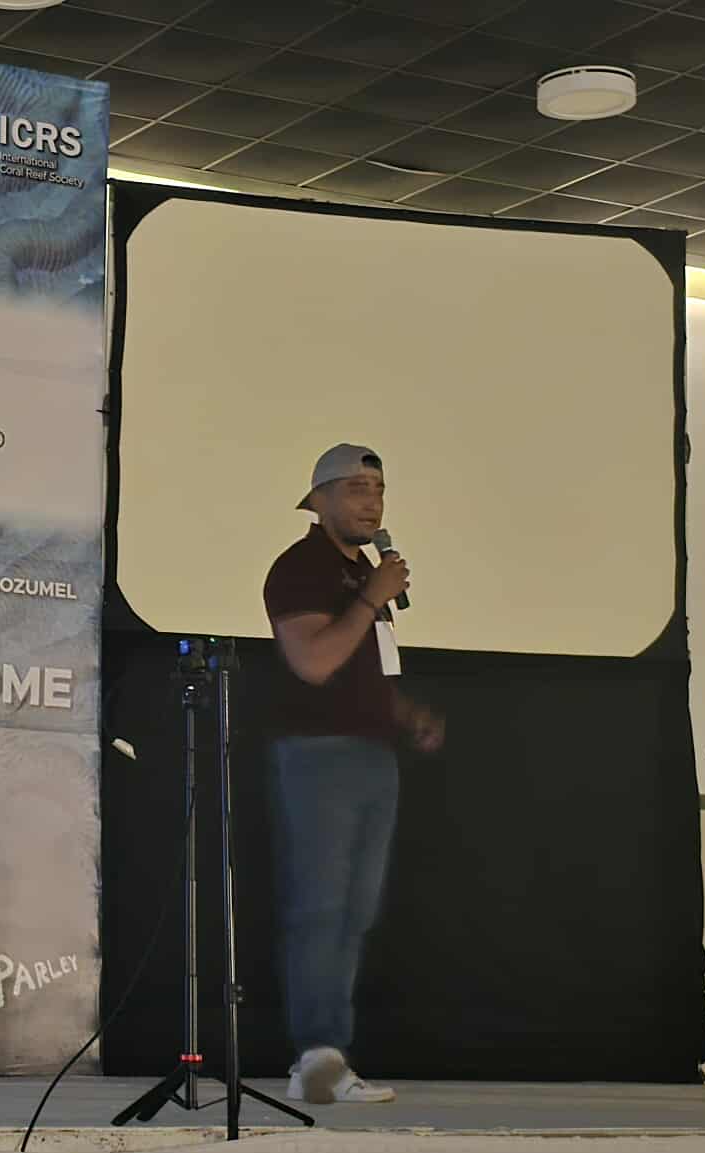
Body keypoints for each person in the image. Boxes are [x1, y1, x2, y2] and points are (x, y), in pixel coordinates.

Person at [262, 443, 445, 1106]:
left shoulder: (364, 572)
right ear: (320, 499)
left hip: (373, 755)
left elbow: (363, 670)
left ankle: (330, 1059)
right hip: (319, 757)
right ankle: (315, 1055)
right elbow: (314, 661)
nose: (373, 502)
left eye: (379, 489)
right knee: (321, 908)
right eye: (357, 488)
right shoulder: (301, 568)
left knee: (354, 912)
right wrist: (371, 596)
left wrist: (405, 714)